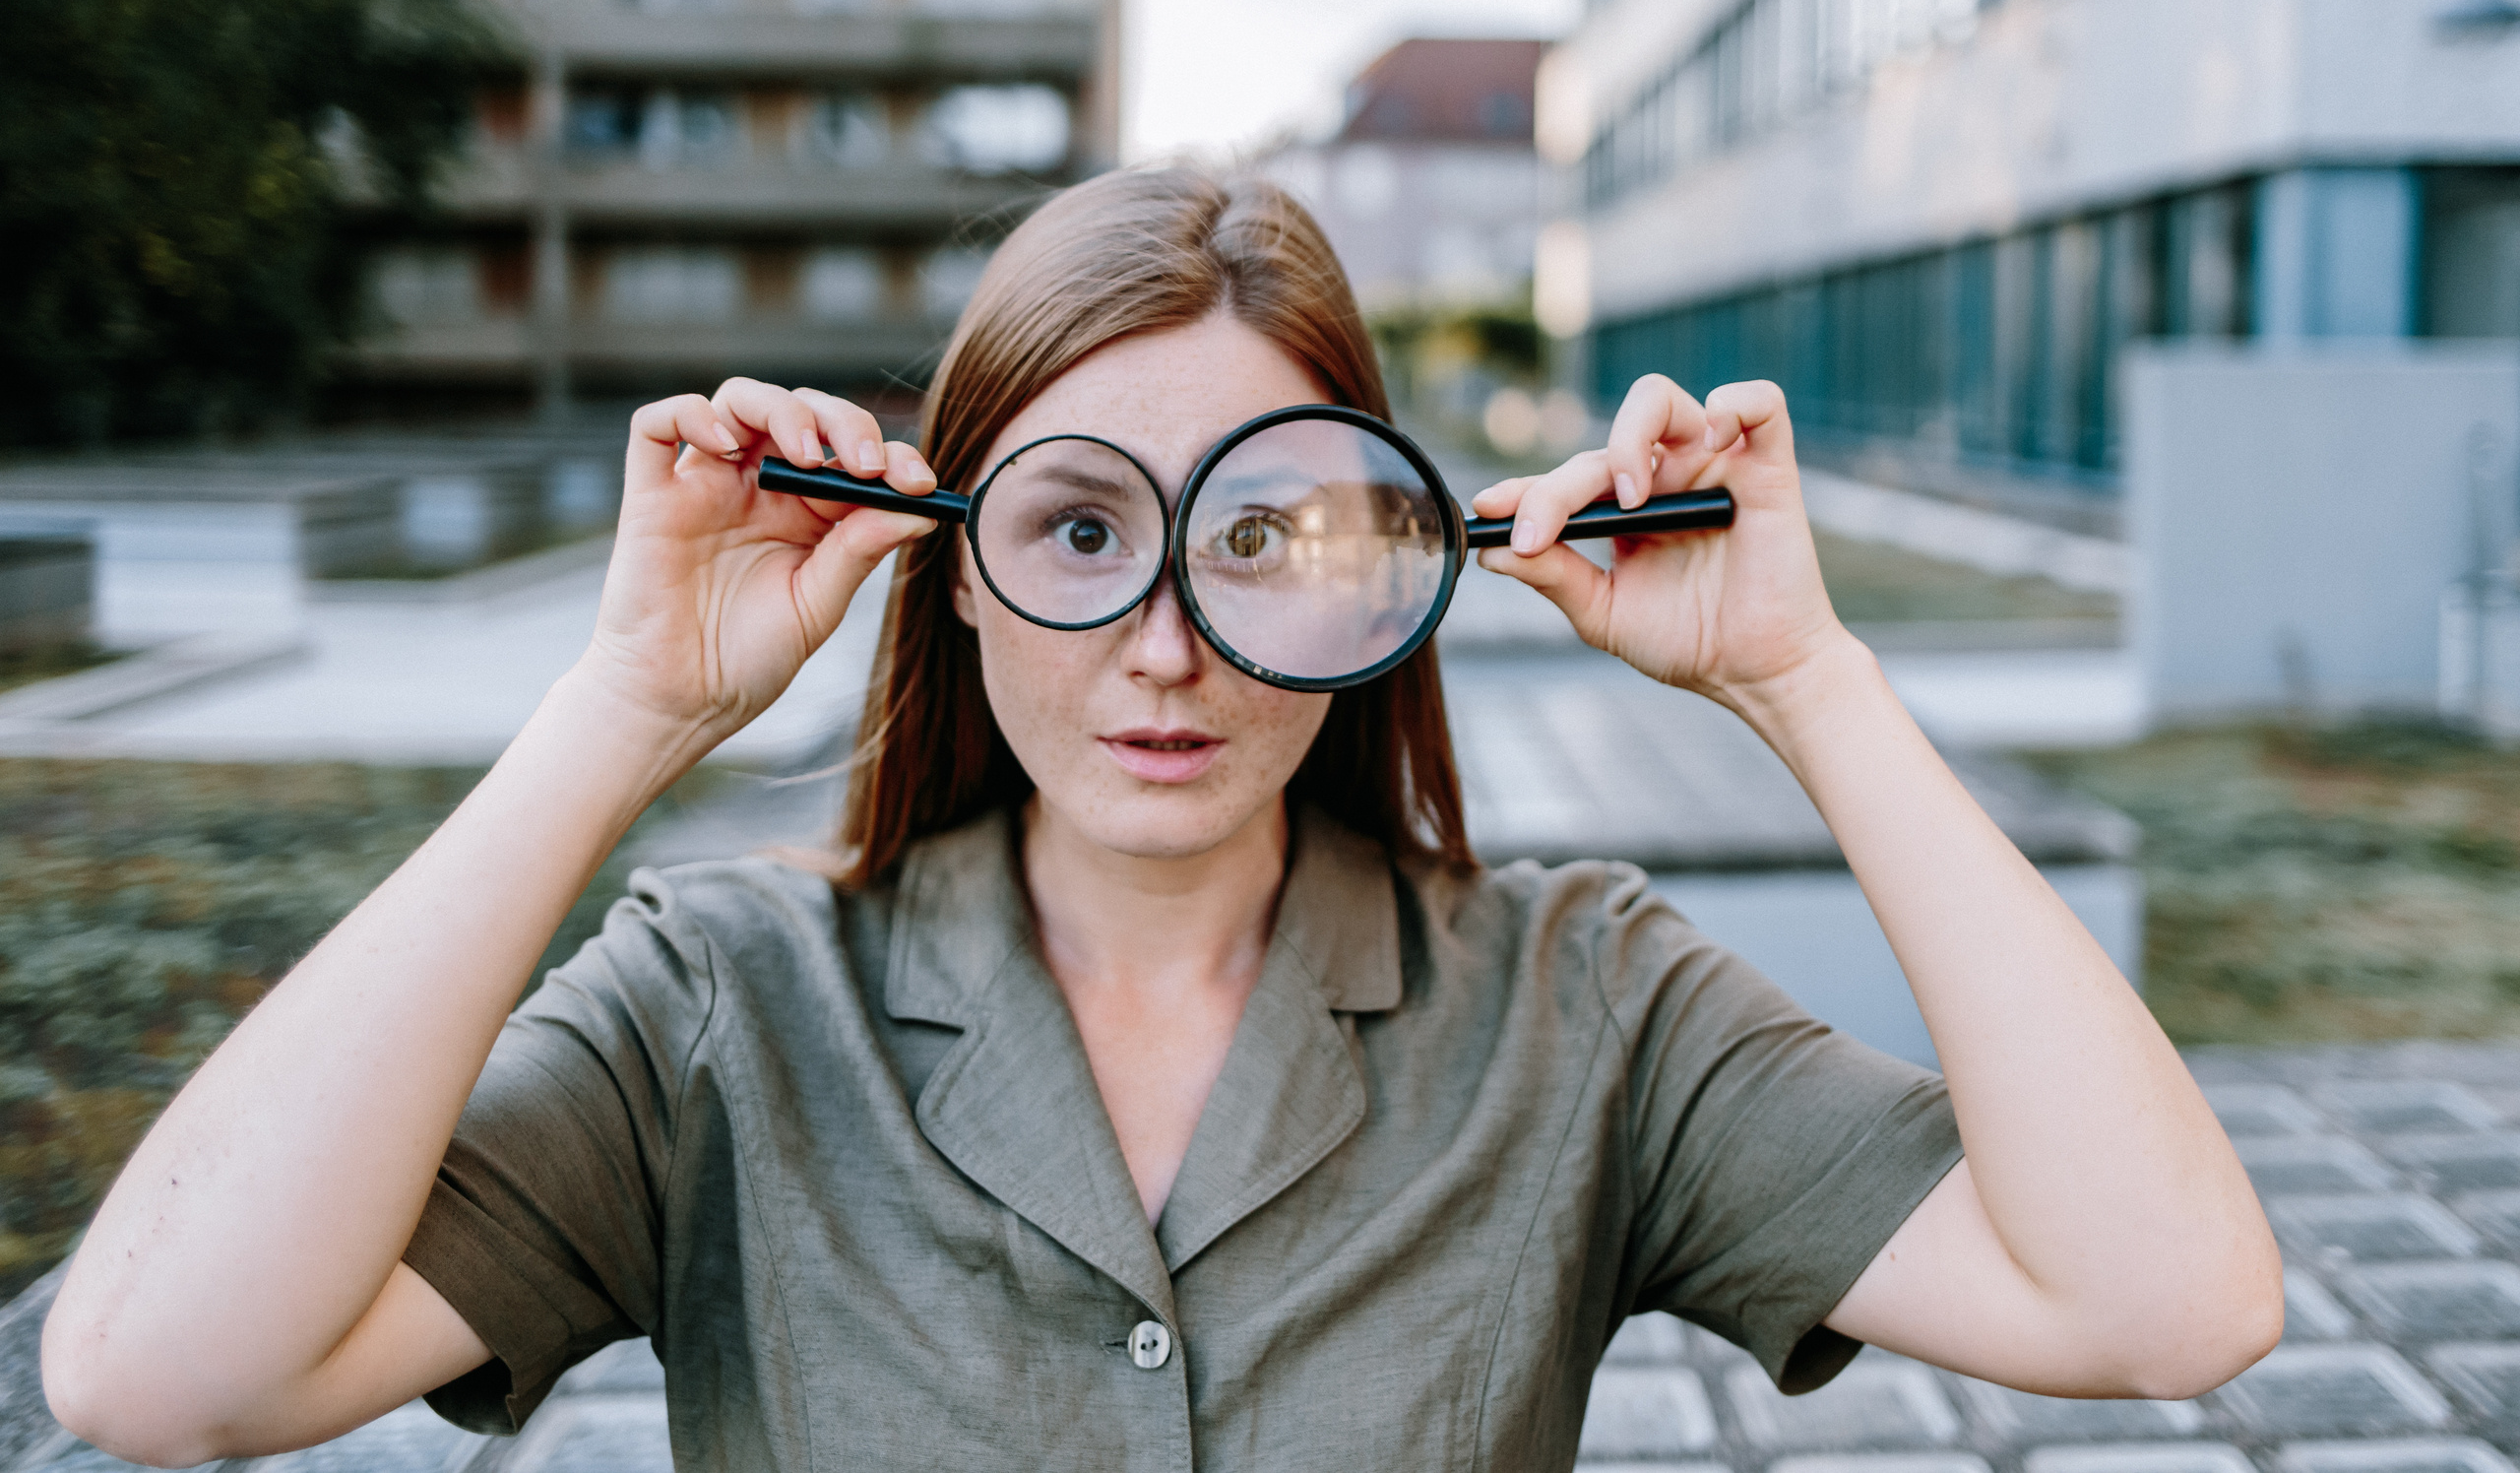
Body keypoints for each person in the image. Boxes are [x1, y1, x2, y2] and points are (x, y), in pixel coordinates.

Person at [44, 168, 2281, 1470]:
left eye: (1269, 533)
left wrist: (1810, 680)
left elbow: (2168, 1300)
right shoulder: (722, 1004)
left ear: (1391, 562)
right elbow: (158, 1366)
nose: (1165, 645)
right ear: (942, 548)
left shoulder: (1578, 1003)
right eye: (1076, 525)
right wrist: (620, 706)